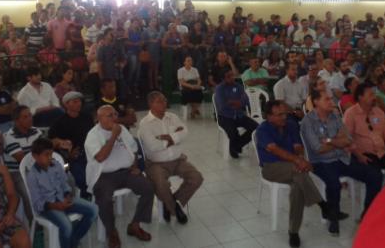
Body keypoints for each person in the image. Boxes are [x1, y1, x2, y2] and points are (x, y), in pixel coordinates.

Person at [301, 91, 383, 234]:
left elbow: (348, 140)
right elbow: (318, 148)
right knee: (334, 184)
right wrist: (338, 141)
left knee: (375, 175)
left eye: (331, 99)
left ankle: (367, 213)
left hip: (342, 158)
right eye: (326, 99)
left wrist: (329, 140)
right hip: (321, 162)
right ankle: (333, 217)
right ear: (316, 102)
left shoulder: (335, 116)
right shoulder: (308, 121)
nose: (331, 101)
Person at [255, 100, 328, 247]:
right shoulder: (263, 130)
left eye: (285, 114)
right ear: (268, 116)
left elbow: (297, 146)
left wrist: (300, 157)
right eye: (279, 115)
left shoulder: (291, 125)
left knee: (297, 186)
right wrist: (298, 161)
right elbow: (275, 150)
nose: (284, 117)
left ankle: (293, 231)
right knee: (298, 171)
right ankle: (323, 205)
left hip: (292, 167)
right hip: (271, 168)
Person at [84, 105, 155, 248]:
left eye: (115, 114)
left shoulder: (121, 129)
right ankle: (112, 232)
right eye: (109, 115)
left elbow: (134, 149)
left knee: (148, 188)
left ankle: (135, 225)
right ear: (99, 119)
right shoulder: (93, 135)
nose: (114, 118)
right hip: (103, 175)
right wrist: (113, 136)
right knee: (104, 199)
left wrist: (134, 165)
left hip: (126, 171)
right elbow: (101, 157)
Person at [138, 92, 203, 224]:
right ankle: (176, 209)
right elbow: (153, 146)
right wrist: (175, 137)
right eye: (160, 101)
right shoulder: (145, 124)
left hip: (178, 160)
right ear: (151, 104)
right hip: (156, 163)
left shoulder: (172, 117)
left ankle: (171, 205)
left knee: (197, 177)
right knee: (161, 185)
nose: (164, 103)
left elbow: (185, 132)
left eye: (165, 100)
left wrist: (167, 137)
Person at [26, 138, 97, 248]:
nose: (50, 158)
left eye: (51, 154)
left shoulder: (56, 164)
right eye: (46, 155)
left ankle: (73, 241)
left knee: (93, 210)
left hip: (63, 200)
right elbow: (38, 204)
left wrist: (67, 195)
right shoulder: (32, 176)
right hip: (48, 208)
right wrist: (57, 206)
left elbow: (64, 184)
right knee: (66, 226)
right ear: (35, 156)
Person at [343, 82, 385, 175]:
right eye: (370, 95)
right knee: (375, 176)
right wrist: (359, 155)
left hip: (382, 152)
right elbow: (347, 138)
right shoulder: (350, 114)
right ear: (360, 97)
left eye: (374, 94)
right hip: (364, 154)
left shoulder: (379, 112)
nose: (374, 97)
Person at [48, 91, 93, 198]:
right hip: (69, 159)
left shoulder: (87, 117)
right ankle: (85, 197)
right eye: (75, 101)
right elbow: (52, 142)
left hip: (90, 153)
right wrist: (67, 153)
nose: (79, 104)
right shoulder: (59, 122)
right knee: (80, 177)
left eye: (79, 101)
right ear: (66, 104)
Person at [214, 69, 259, 158]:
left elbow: (245, 100)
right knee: (233, 132)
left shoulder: (238, 86)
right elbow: (222, 105)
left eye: (232, 75)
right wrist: (237, 102)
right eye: (228, 76)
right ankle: (235, 147)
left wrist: (234, 102)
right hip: (225, 116)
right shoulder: (219, 88)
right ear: (223, 78)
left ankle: (236, 145)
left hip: (239, 115)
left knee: (256, 128)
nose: (232, 78)